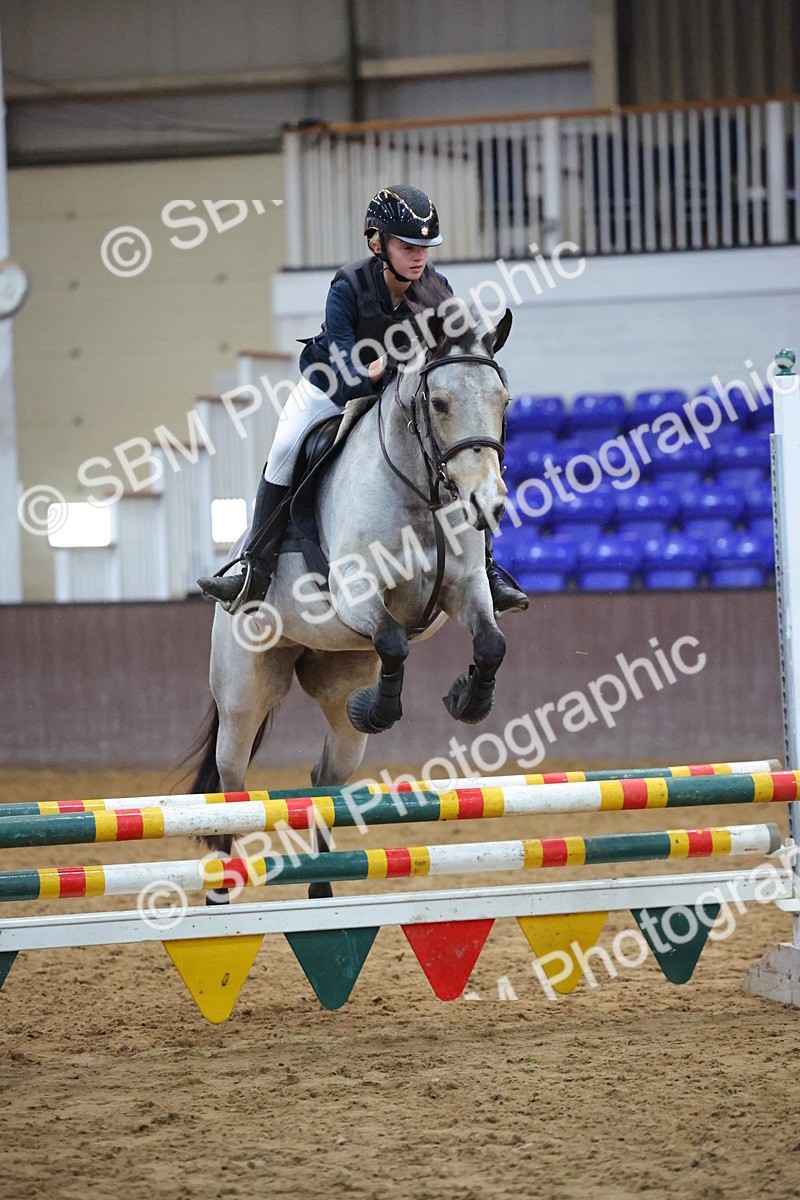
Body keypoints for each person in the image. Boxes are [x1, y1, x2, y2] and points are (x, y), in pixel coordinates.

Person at [197, 185, 527, 616]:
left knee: (457, 449)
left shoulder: (437, 288)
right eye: (408, 246)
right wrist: (384, 365)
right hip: (330, 387)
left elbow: (453, 352)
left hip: (396, 394)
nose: (419, 257)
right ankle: (253, 569)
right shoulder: (347, 285)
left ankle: (485, 567)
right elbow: (344, 361)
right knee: (284, 450)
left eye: (425, 248)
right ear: (378, 243)